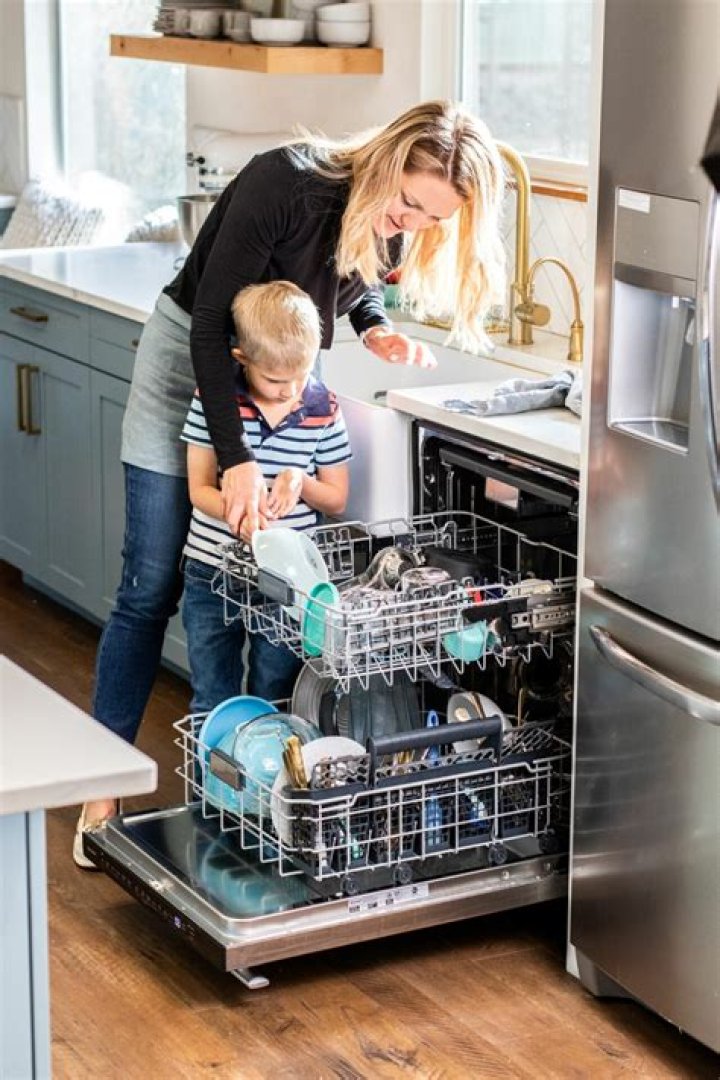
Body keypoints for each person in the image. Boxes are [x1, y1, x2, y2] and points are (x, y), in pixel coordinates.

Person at [78, 100, 506, 857]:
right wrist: (236, 456)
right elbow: (213, 322)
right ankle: (99, 790)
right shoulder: (285, 183)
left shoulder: (384, 221)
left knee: (257, 588)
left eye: (432, 218)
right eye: (408, 201)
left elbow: (354, 281)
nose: (410, 221)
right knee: (148, 585)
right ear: (384, 161)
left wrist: (375, 325)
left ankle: (255, 792)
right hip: (191, 362)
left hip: (276, 380)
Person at [181, 280, 350, 713]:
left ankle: (265, 782)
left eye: (301, 376)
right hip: (211, 569)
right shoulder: (215, 403)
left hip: (290, 582)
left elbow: (336, 499)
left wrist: (301, 479)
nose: (289, 391)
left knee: (275, 697)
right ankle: (213, 782)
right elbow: (199, 488)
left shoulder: (324, 408)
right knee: (212, 699)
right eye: (275, 379)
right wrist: (240, 513)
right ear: (242, 359)